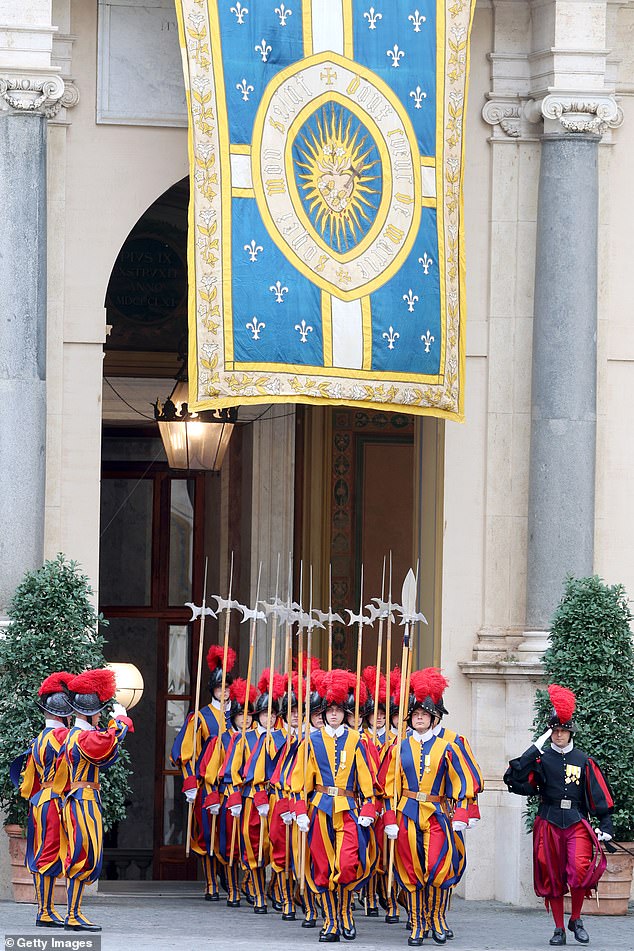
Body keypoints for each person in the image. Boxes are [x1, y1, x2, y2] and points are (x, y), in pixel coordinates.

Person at [504, 684, 614, 947]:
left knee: (579, 872)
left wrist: (606, 824)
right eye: (555, 731)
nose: (559, 735)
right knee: (551, 876)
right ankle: (558, 928)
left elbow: (599, 795)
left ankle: (575, 919)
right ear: (550, 733)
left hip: (577, 822)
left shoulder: (583, 760)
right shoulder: (541, 759)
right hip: (548, 822)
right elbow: (516, 776)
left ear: (570, 732)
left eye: (563, 730)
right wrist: (536, 747)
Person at [379, 669, 474, 947]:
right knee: (411, 871)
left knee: (438, 867)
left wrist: (462, 814)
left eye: (424, 714)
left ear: (434, 718)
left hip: (436, 814)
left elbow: (462, 780)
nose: (419, 718)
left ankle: (437, 917)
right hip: (407, 813)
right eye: (415, 714)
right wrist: (389, 818)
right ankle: (418, 924)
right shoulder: (398, 748)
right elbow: (387, 787)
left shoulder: (448, 747)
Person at [291, 668, 377, 943]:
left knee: (347, 864)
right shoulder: (311, 741)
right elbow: (300, 780)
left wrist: (368, 808)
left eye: (339, 710)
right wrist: (300, 811)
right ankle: (330, 920)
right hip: (320, 807)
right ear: (322, 713)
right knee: (324, 866)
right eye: (329, 710)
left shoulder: (357, 740)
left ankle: (345, 914)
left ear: (346, 712)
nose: (334, 715)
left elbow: (367, 779)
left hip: (349, 808)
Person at [63, 669, 133, 932]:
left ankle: (75, 912)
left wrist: (116, 726)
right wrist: (120, 720)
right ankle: (72, 914)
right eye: (99, 711)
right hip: (83, 799)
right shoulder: (82, 736)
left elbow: (105, 752)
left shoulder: (81, 735)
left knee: (87, 853)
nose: (101, 716)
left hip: (86, 797)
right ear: (89, 712)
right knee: (82, 854)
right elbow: (108, 740)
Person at [170, 644, 236, 900]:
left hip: (232, 784)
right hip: (207, 784)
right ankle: (210, 882)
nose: (224, 692)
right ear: (213, 690)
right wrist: (189, 782)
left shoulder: (241, 716)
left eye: (228, 688)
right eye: (220, 688)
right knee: (207, 833)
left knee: (231, 834)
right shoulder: (200, 717)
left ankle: (231, 882)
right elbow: (186, 752)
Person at [426, 669, 484, 941]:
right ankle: (422, 914)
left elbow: (469, 777)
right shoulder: (411, 741)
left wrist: (469, 812)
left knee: (447, 863)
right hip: (418, 811)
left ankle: (439, 914)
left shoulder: (454, 740)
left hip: (447, 811)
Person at [17, 672, 73, 928]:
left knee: (43, 853)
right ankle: (46, 911)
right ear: (64, 714)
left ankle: (46, 909)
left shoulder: (38, 738)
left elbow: (28, 780)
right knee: (49, 854)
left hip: (40, 800)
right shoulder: (62, 737)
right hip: (54, 801)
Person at [237, 668, 287, 913]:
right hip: (252, 798)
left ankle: (277, 890)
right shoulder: (245, 739)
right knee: (254, 846)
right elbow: (235, 772)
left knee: (279, 845)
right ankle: (257, 893)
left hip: (276, 796)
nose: (269, 718)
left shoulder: (284, 739)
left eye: (272, 714)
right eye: (265, 714)